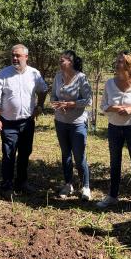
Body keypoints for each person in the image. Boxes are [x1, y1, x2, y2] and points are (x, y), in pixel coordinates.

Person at [0, 44, 48, 198]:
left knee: (25, 153)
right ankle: (7, 185)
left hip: (27, 122)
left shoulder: (34, 74)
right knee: (9, 154)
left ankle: (22, 182)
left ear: (26, 57)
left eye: (18, 56)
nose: (15, 58)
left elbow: (43, 89)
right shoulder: (3, 74)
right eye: (13, 55)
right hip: (8, 122)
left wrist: (40, 106)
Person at [96, 51, 131, 212]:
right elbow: (103, 106)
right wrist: (113, 108)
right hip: (114, 127)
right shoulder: (109, 83)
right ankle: (113, 196)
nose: (117, 64)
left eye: (121, 61)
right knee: (115, 162)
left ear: (129, 65)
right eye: (117, 60)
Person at [51, 50, 92, 201]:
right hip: (60, 122)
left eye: (63, 60)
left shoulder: (81, 78)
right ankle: (68, 184)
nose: (60, 63)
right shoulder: (57, 77)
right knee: (65, 155)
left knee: (79, 156)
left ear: (71, 62)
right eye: (60, 61)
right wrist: (57, 104)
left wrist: (70, 104)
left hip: (77, 123)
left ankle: (86, 187)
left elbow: (88, 100)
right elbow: (53, 97)